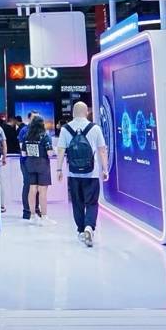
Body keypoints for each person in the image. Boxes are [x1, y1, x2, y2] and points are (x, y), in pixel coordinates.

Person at [56, 101, 108, 246]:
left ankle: (81, 230)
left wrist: (59, 169)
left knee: (77, 203)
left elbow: (61, 150)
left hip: (73, 174)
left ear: (73, 113)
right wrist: (105, 169)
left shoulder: (65, 129)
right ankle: (89, 227)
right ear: (86, 112)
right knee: (92, 202)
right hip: (91, 173)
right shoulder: (95, 128)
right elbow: (102, 150)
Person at [23, 114, 54, 225]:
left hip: (30, 164)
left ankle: (32, 216)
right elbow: (50, 153)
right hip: (42, 165)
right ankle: (44, 217)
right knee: (42, 190)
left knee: (32, 189)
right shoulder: (45, 136)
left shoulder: (26, 136)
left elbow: (23, 153)